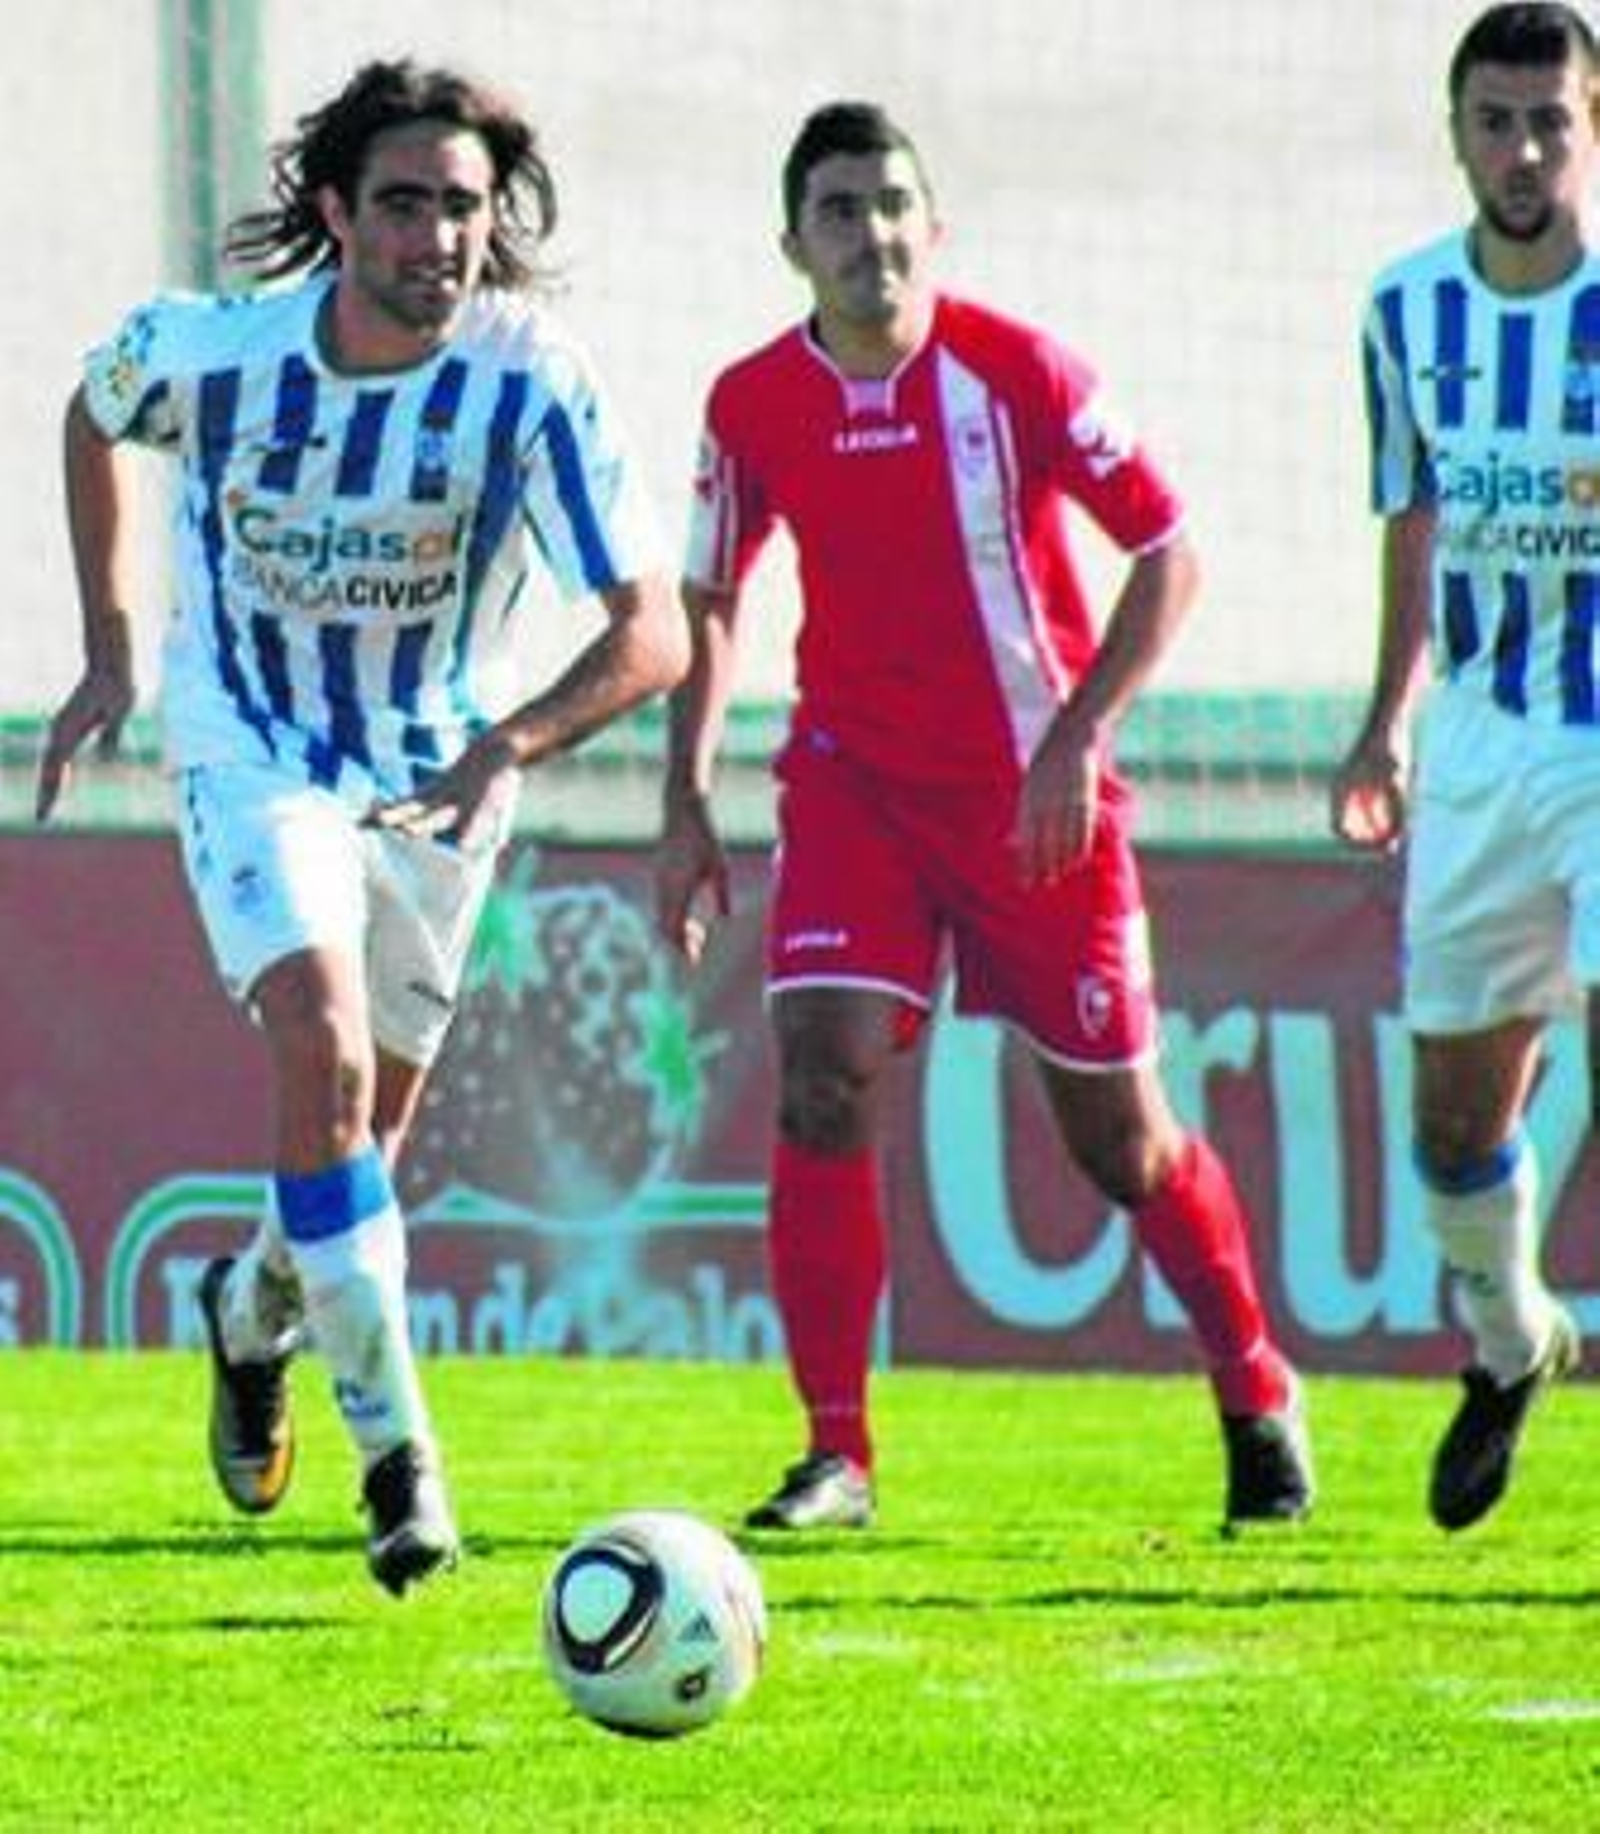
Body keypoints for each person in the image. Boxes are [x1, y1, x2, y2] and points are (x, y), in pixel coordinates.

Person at [35, 60, 688, 1593]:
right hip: (251, 747)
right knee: (320, 1046)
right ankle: (403, 1467)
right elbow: (90, 405)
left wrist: (507, 743)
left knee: (357, 1157)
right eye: (403, 205)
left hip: (438, 779)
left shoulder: (531, 379)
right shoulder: (217, 355)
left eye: (463, 207)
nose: (438, 239)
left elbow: (651, 630)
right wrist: (117, 647)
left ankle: (251, 1309)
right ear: (336, 214)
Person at [655, 101, 1313, 1533]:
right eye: (840, 210)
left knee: (1119, 1145)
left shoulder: (1015, 370)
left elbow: (1167, 552)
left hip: (1033, 798)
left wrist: (1080, 737)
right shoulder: (750, 402)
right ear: (793, 244)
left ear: (931, 228)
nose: (871, 233)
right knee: (821, 1068)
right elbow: (708, 597)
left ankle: (1256, 1385)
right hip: (852, 790)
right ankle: (839, 1451)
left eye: (894, 204)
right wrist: (684, 797)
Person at [1332, 2, 1595, 1532]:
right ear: (1458, 136)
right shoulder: (1405, 312)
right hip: (1481, 743)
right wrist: (1384, 721)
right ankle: (1511, 1344)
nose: (1525, 150)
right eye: (1497, 121)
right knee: (1452, 1121)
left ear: (1595, 127)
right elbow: (1413, 520)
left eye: (1552, 119)